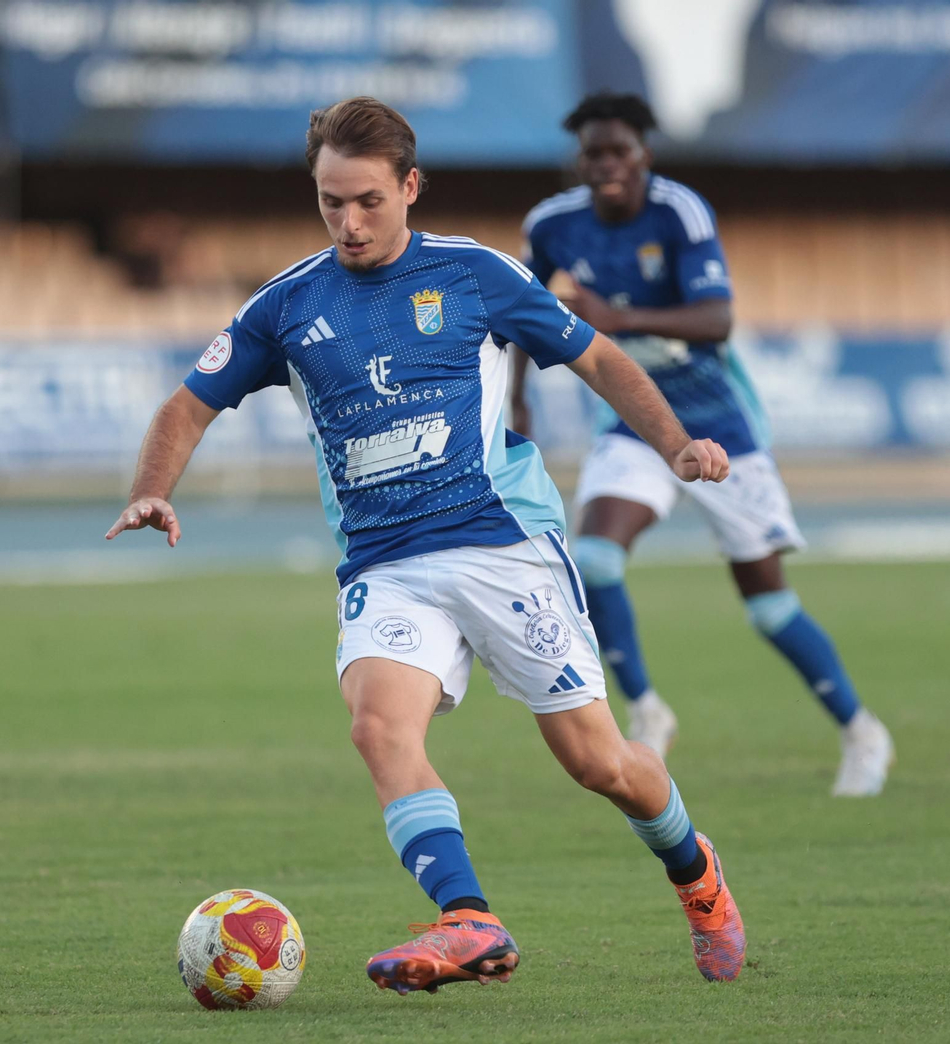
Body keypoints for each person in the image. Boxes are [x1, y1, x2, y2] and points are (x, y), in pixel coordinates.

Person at [107, 97, 746, 990]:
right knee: (377, 729)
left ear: (410, 187)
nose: (349, 221)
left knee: (598, 763)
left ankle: (698, 877)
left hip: (500, 543)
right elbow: (187, 404)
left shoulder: (475, 274)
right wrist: (151, 491)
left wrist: (673, 442)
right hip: (384, 563)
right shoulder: (287, 304)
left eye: (368, 199)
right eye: (331, 201)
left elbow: (598, 356)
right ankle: (469, 918)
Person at [514, 93, 894, 795]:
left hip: (717, 426)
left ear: (644, 156)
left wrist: (615, 317)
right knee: (594, 558)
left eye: (618, 152)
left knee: (769, 607)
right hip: (632, 422)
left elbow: (717, 319)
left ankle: (861, 729)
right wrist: (517, 402)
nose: (605, 166)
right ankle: (648, 712)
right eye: (592, 154)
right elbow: (517, 312)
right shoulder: (551, 226)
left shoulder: (679, 212)